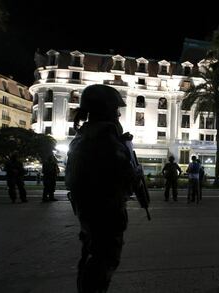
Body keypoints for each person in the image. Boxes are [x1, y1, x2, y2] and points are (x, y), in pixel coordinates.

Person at [65, 84, 137, 293]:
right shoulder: (105, 137)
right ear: (105, 109)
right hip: (105, 209)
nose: (118, 114)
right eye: (115, 110)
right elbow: (124, 175)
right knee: (104, 259)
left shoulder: (84, 135)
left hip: (87, 208)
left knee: (91, 254)